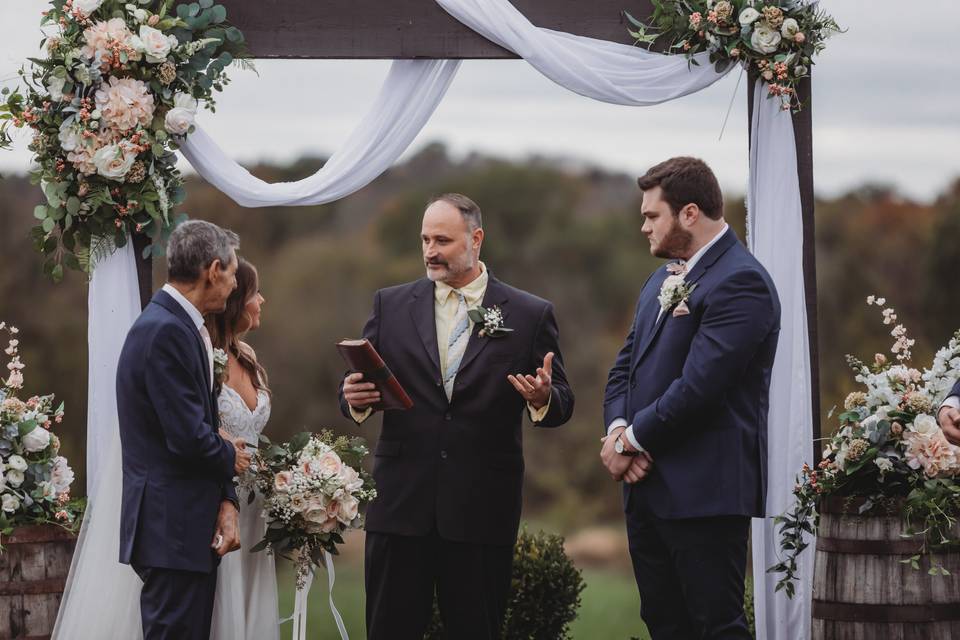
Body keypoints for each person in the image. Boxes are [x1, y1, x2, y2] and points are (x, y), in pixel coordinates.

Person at [339, 193, 575, 640]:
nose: (430, 250)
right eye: (425, 239)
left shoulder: (528, 314)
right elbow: (361, 380)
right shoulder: (391, 305)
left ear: (476, 239)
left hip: (481, 509)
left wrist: (544, 397)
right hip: (401, 507)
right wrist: (352, 395)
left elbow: (563, 400)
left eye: (442, 240)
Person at [601, 157, 780, 639]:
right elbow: (624, 370)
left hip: (705, 492)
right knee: (664, 624)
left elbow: (701, 388)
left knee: (715, 627)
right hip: (647, 490)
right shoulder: (660, 281)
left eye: (651, 215)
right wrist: (618, 430)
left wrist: (629, 443)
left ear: (689, 213)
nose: (643, 227)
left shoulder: (742, 282)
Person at [116, 219, 252, 639]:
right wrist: (234, 457)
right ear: (213, 270)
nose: (234, 285)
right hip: (170, 528)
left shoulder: (178, 324)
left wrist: (225, 495)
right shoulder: (165, 332)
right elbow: (188, 436)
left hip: (182, 527)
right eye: (231, 272)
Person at [208, 258, 280, 640]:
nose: (261, 300)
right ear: (235, 301)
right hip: (220, 498)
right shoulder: (203, 358)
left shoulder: (247, 356)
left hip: (257, 506)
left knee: (252, 599)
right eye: (254, 293)